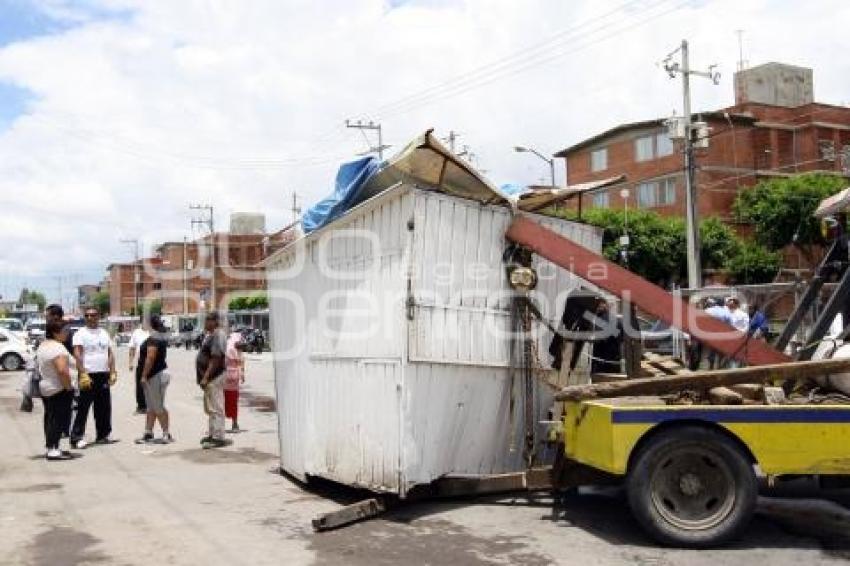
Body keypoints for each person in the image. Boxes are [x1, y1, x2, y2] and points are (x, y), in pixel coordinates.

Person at [71, 307, 117, 448]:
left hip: (102, 374)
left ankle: (103, 435)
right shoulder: (80, 334)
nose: (90, 317)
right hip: (87, 375)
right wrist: (82, 372)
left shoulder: (104, 333)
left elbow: (109, 352)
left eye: (93, 315)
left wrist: (113, 371)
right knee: (83, 407)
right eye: (87, 315)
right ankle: (76, 437)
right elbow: (77, 354)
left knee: (103, 407)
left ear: (99, 316)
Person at [37, 320, 75, 460]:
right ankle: (53, 449)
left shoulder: (44, 345)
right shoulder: (58, 349)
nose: (67, 333)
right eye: (65, 331)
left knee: (50, 418)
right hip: (58, 388)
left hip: (46, 387)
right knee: (58, 419)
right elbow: (62, 371)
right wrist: (68, 387)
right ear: (55, 332)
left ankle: (51, 447)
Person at [135, 315, 173, 444]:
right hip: (156, 374)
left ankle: (166, 434)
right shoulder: (157, 337)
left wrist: (144, 375)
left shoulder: (153, 339)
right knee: (151, 406)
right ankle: (148, 433)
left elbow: (150, 358)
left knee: (157, 406)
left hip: (155, 375)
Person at [196, 312, 227, 448]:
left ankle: (218, 437)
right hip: (212, 377)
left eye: (207, 320)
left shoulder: (218, 335)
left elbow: (216, 358)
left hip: (215, 376)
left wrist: (206, 376)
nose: (205, 323)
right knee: (211, 407)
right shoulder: (212, 334)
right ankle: (212, 433)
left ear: (215, 321)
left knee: (216, 407)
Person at [224, 330, 246, 432]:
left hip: (225, 376)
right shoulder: (235, 346)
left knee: (223, 401)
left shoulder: (227, 344)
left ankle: (231, 424)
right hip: (232, 377)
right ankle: (234, 424)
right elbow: (241, 362)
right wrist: (242, 373)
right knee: (232, 401)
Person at [128, 320, 150, 414]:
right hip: (141, 362)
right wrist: (130, 362)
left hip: (153, 362)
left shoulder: (153, 332)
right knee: (140, 385)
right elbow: (132, 348)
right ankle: (141, 407)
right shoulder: (136, 333)